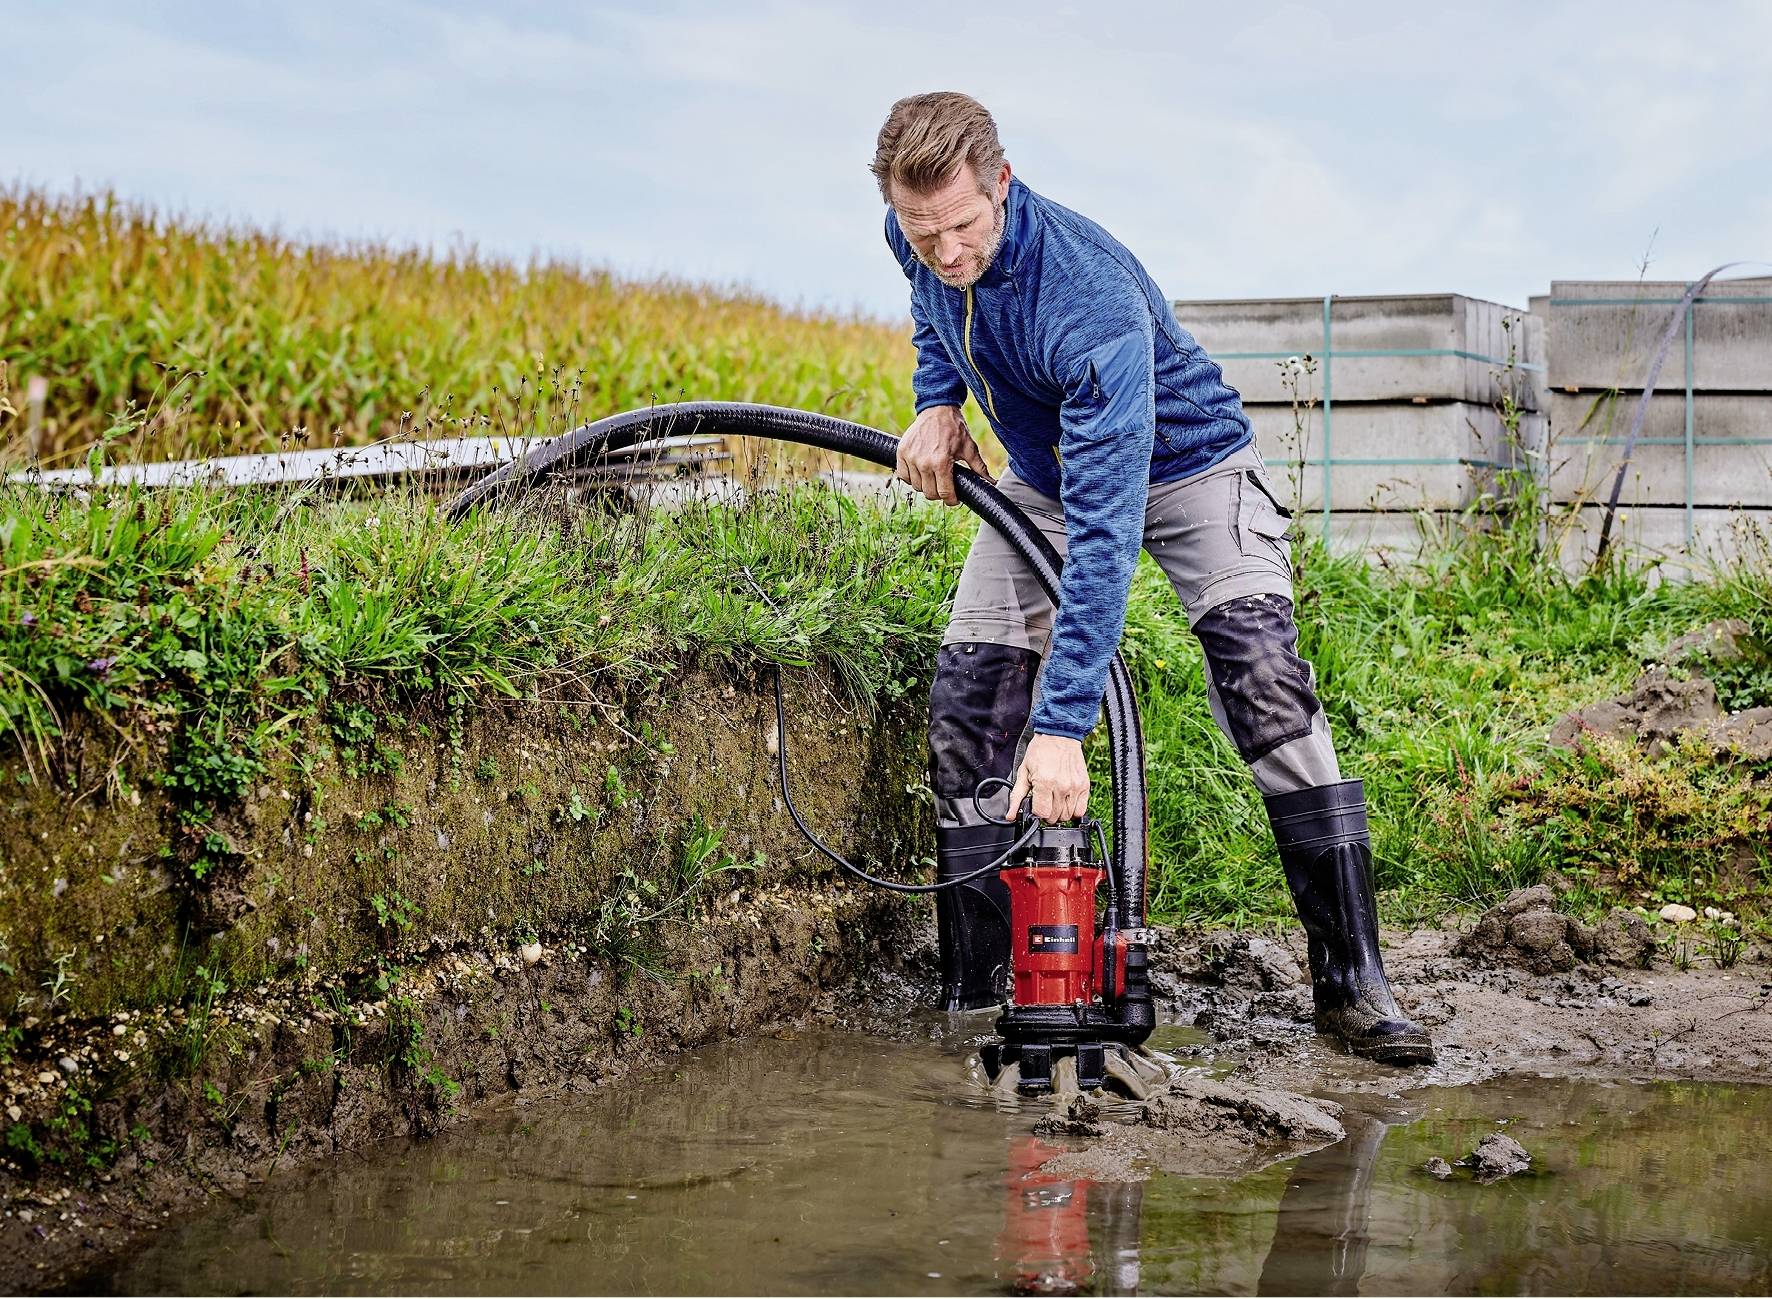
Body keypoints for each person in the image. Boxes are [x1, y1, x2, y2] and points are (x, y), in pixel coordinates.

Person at [871, 91, 1433, 1066]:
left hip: (1186, 469)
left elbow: (1102, 538)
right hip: (1043, 476)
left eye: (962, 226)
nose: (945, 250)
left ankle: (1352, 988)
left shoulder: (1085, 298)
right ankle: (975, 996)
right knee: (969, 692)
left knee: (1263, 682)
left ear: (1001, 184)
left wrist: (1060, 729)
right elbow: (936, 313)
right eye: (924, 232)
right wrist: (936, 403)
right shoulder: (912, 233)